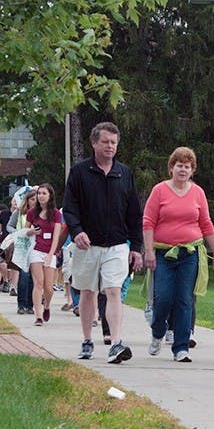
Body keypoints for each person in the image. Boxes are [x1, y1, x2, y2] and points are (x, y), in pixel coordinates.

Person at [63, 122, 143, 364]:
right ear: (94, 143)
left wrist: (136, 247)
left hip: (117, 244)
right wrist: (77, 231)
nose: (110, 146)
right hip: (87, 245)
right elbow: (69, 207)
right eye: (106, 142)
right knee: (88, 292)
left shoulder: (124, 173)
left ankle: (116, 343)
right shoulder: (79, 172)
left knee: (113, 291)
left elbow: (134, 213)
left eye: (114, 143)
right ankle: (87, 340)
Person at [143, 147, 214, 363]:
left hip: (190, 253)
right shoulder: (159, 190)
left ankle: (181, 347)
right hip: (163, 253)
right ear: (172, 168)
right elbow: (148, 222)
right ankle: (158, 332)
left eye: (187, 166)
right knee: (163, 298)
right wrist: (149, 251)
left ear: (192, 170)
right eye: (179, 165)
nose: (182, 169)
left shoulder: (198, 193)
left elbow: (206, 223)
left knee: (185, 300)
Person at [26, 183, 63, 327]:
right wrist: (31, 232)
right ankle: (38, 315)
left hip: (49, 252)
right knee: (38, 283)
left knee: (49, 287)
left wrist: (51, 254)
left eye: (43, 193)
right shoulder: (31, 213)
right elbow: (25, 232)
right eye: (39, 193)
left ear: (50, 196)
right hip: (35, 250)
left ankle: (47, 305)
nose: (40, 196)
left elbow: (56, 236)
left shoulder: (56, 214)